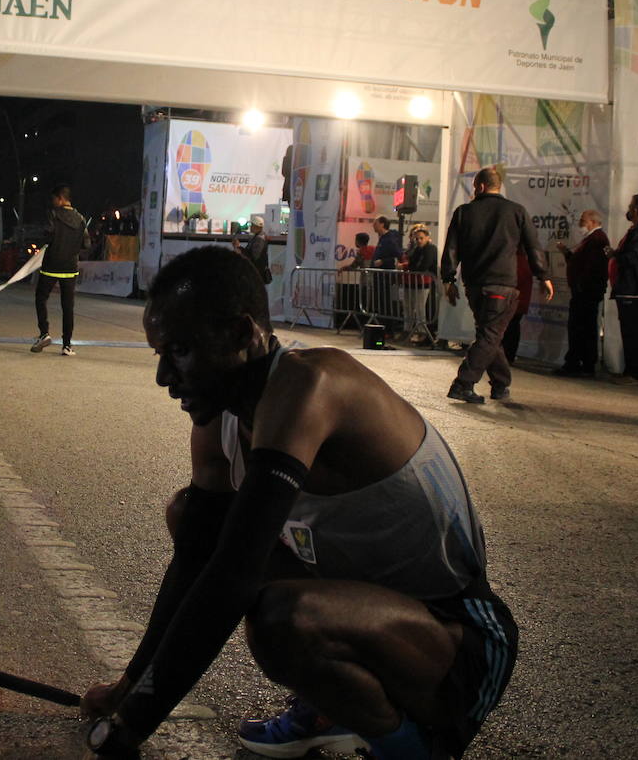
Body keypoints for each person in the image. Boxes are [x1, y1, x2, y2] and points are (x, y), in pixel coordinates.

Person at [80, 246, 516, 760]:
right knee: (191, 518)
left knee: (282, 620)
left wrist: (132, 727)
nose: (163, 378)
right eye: (159, 354)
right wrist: (130, 688)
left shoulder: (309, 385)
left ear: (244, 335)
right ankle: (330, 706)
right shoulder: (220, 416)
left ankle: (413, 749)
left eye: (180, 351)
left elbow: (232, 577)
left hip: (456, 638)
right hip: (373, 611)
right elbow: (198, 557)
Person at [439, 167, 553, 404]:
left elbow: (451, 249)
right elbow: (533, 247)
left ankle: (501, 384)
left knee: (488, 334)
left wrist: (448, 279)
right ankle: (463, 383)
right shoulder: (517, 211)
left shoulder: (464, 212)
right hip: (502, 285)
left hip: (474, 285)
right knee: (491, 335)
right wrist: (544, 276)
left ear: (480, 186)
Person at [605, 194, 638, 385]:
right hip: (634, 288)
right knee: (630, 332)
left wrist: (617, 256)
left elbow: (634, 258)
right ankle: (631, 370)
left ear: (636, 210)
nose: (629, 210)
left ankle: (635, 373)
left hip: (635, 289)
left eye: (630, 206)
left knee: (632, 332)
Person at [31, 185, 87, 356]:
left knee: (41, 298)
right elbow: (86, 244)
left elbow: (47, 236)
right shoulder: (81, 219)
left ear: (60, 199)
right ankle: (67, 345)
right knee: (68, 306)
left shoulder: (54, 215)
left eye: (54, 199)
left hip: (51, 266)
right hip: (70, 268)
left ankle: (44, 333)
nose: (53, 202)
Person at [553, 210, 610, 377]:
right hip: (583, 290)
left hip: (586, 292)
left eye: (583, 220)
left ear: (592, 221)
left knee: (582, 328)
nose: (580, 223)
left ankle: (580, 363)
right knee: (582, 328)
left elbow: (592, 267)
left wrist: (581, 285)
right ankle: (580, 362)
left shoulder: (597, 239)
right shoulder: (590, 240)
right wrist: (567, 254)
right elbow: (580, 263)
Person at [401, 224, 438, 343]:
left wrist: (414, 267)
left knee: (420, 309)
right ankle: (408, 331)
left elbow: (423, 265)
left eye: (421, 238)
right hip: (414, 282)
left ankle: (422, 333)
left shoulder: (431, 249)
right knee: (409, 308)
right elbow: (413, 264)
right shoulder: (416, 249)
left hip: (423, 283)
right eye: (417, 238)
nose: (419, 240)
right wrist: (413, 267)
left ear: (427, 237)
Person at [500, 250, 533, 364]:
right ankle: (507, 356)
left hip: (513, 302)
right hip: (518, 301)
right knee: (511, 328)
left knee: (509, 329)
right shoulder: (522, 261)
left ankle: (506, 356)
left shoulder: (516, 261)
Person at [231, 215, 272, 284]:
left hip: (256, 274)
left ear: (255, 226)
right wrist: (239, 247)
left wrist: (239, 247)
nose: (250, 226)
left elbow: (253, 257)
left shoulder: (259, 239)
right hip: (256, 273)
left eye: (251, 224)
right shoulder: (259, 236)